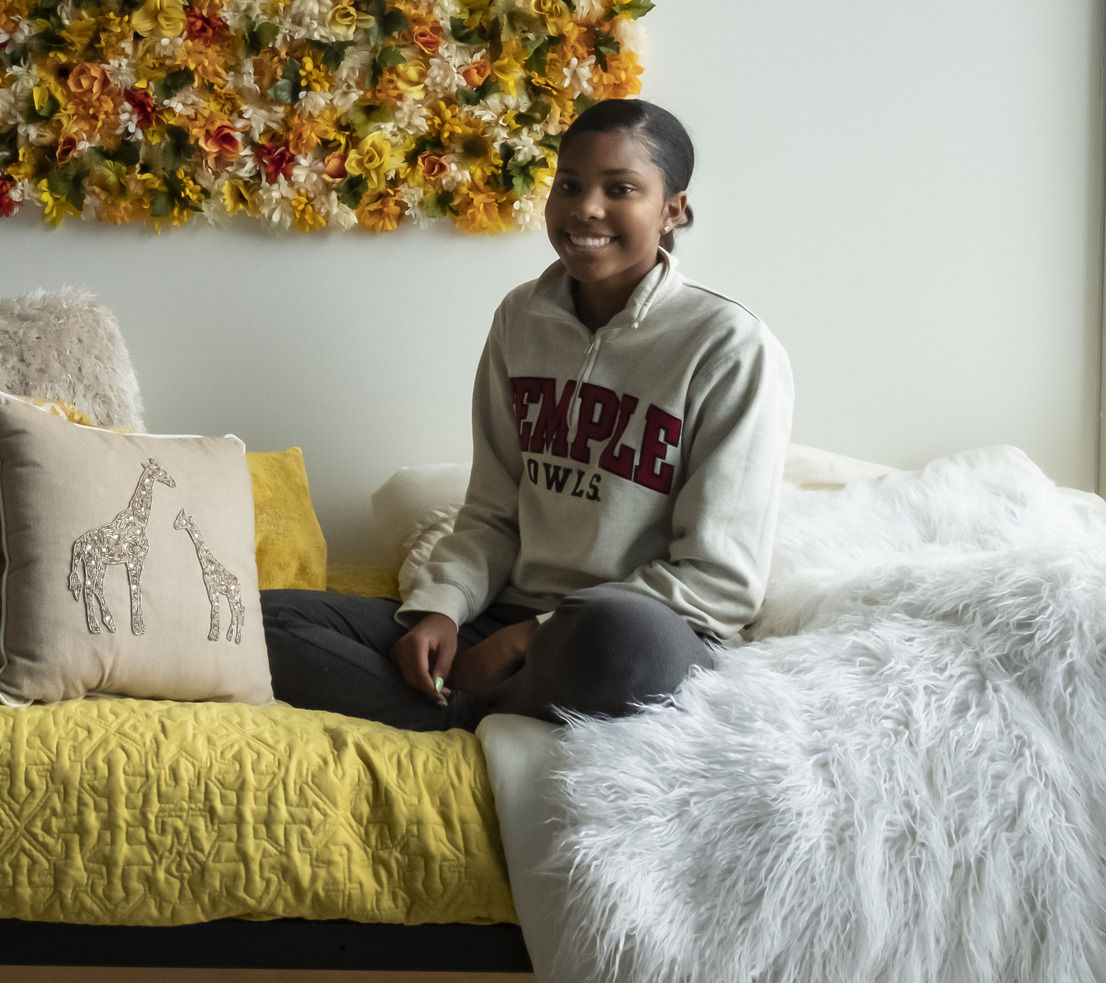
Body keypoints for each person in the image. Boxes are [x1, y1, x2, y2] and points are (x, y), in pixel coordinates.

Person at [262, 99, 792, 730]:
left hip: (633, 633)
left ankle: (463, 706)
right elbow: (492, 509)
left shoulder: (729, 346)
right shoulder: (521, 318)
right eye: (569, 186)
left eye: (620, 189)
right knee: (257, 619)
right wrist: (441, 610)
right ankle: (478, 705)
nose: (586, 208)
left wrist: (535, 639)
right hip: (511, 612)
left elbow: (721, 583)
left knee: (620, 639)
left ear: (673, 208)